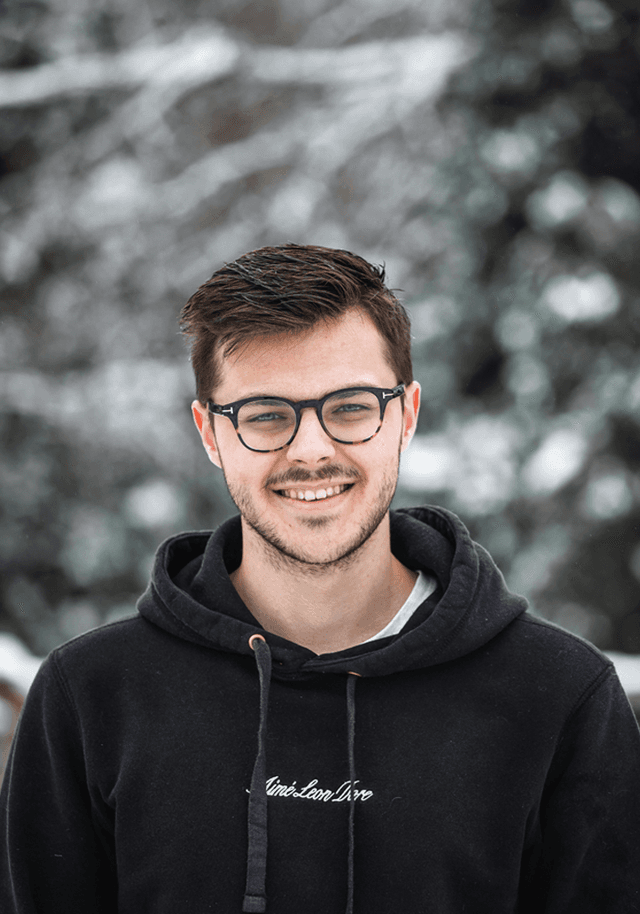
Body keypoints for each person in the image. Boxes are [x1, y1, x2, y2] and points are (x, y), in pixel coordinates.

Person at [1, 244, 639, 914]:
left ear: (407, 414)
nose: (310, 450)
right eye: (266, 415)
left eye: (352, 406)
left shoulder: (559, 697)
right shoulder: (91, 697)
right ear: (210, 433)